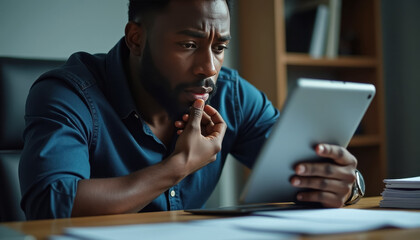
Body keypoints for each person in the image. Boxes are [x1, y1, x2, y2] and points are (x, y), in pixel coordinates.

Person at [19, 0, 359, 220]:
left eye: (220, 47)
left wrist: (347, 184)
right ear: (136, 39)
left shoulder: (231, 94)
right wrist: (179, 166)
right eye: (189, 45)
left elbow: (305, 169)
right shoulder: (69, 94)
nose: (209, 67)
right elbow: (50, 205)